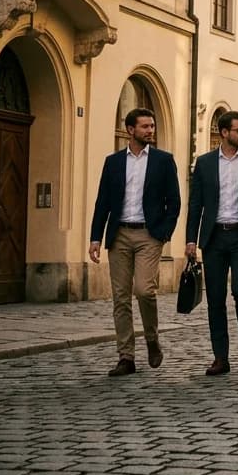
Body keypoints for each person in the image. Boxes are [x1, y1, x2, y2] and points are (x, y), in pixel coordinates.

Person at [89, 108, 182, 377]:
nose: (150, 130)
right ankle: (126, 356)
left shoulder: (164, 161)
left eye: (152, 126)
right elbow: (102, 202)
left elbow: (173, 202)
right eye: (145, 127)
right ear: (130, 130)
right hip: (119, 234)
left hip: (148, 235)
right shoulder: (114, 162)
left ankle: (151, 338)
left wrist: (163, 233)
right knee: (120, 297)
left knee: (143, 289)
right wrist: (96, 237)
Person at [185, 110, 238, 376]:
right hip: (214, 238)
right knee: (215, 299)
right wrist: (191, 239)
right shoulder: (206, 163)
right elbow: (196, 203)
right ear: (224, 133)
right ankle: (220, 357)